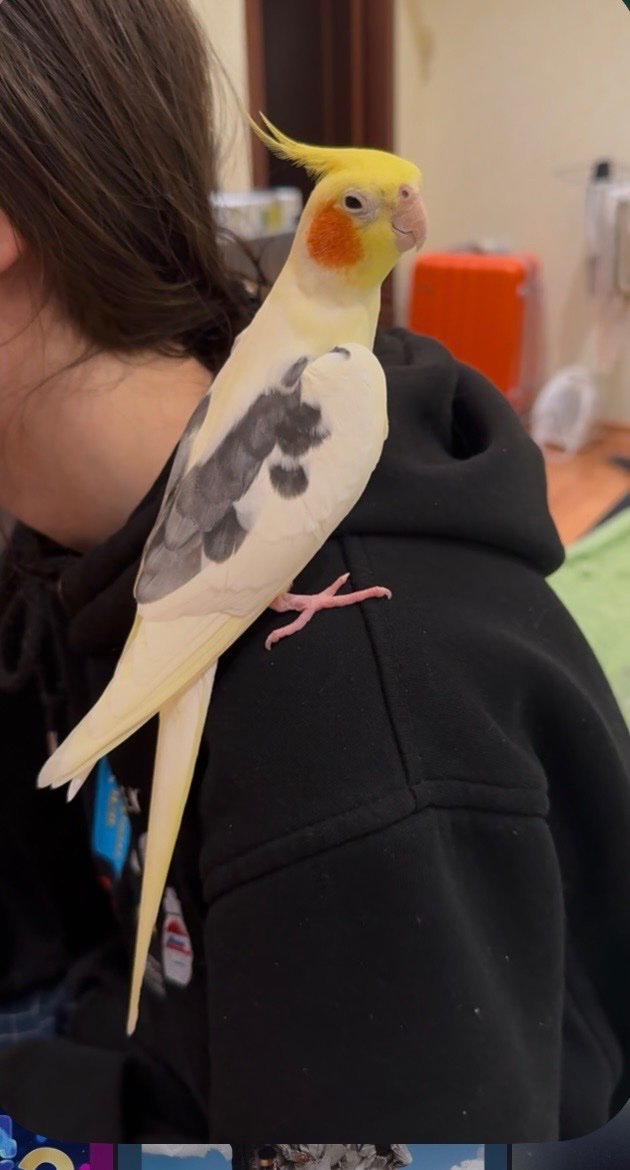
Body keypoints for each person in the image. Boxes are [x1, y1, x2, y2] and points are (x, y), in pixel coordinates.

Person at [0, 0, 629, 1145]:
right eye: (359, 202)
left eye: (397, 201)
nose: (404, 219)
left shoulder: (361, 758)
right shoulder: (66, 536)